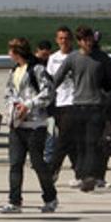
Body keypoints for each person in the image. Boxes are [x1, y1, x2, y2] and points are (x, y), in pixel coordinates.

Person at [51, 25, 111, 193]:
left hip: (96, 107)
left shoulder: (102, 58)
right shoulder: (72, 58)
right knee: (77, 143)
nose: (89, 43)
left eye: (91, 40)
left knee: (92, 143)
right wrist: (47, 97)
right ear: (79, 42)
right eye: (85, 40)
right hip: (77, 106)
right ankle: (80, 174)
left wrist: (110, 103)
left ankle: (90, 176)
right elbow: (56, 79)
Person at [0, 38, 57, 214]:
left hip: (35, 125)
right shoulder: (14, 71)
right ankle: (14, 201)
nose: (9, 54)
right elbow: (8, 92)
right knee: (15, 164)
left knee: (37, 163)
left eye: (11, 51)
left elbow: (48, 92)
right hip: (17, 125)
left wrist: (29, 105)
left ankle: (50, 197)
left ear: (17, 52)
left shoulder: (37, 69)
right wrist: (15, 107)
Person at [45, 26, 79, 185]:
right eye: (61, 38)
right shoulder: (53, 58)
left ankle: (52, 170)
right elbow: (50, 81)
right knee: (70, 139)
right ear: (57, 40)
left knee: (64, 138)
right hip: (59, 102)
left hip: (74, 102)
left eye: (66, 38)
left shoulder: (77, 56)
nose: (64, 41)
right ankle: (80, 172)